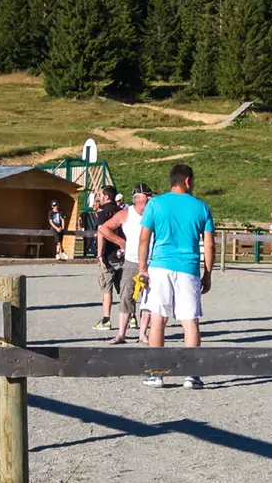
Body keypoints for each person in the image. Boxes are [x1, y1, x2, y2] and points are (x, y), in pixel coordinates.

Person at [138, 163, 215, 390]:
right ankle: (191, 374)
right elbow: (209, 243)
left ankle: (156, 373)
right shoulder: (201, 207)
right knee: (189, 321)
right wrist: (207, 273)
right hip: (188, 267)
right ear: (188, 181)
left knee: (158, 319)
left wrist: (143, 268)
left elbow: (144, 239)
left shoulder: (155, 204)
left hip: (160, 266)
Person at [100, 183, 152, 344]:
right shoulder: (126, 213)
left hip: (152, 261)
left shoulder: (155, 213)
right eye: (147, 196)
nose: (150, 198)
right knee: (126, 296)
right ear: (137, 199)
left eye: (151, 196)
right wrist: (121, 242)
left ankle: (143, 334)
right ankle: (121, 334)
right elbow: (104, 228)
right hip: (131, 260)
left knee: (149, 298)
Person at [92, 185, 122, 331]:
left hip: (109, 254)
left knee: (107, 288)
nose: (99, 197)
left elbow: (101, 234)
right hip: (122, 254)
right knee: (124, 288)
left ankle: (106, 320)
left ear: (107, 197)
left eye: (101, 195)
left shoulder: (102, 213)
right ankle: (132, 317)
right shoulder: (123, 211)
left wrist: (99, 254)